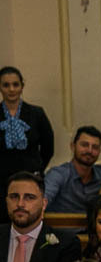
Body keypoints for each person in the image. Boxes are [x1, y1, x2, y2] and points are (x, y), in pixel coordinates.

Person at [3, 172, 81, 262]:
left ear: (44, 204)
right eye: (14, 197)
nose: (20, 204)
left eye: (29, 197)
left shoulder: (66, 244)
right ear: (6, 201)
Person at [0, 67, 55, 212]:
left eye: (15, 84)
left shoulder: (37, 114)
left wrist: (37, 168)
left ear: (22, 86)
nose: (11, 89)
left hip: (30, 178)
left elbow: (48, 148)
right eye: (6, 85)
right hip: (1, 181)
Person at [44, 126, 101, 213]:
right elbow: (44, 199)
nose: (90, 151)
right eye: (84, 145)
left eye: (95, 147)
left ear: (99, 151)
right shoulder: (58, 174)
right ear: (73, 146)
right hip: (61, 225)